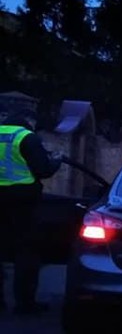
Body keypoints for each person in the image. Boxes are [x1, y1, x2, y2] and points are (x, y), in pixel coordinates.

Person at [0, 108, 62, 315]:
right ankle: (25, 304)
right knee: (26, 251)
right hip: (23, 201)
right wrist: (57, 161)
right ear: (28, 121)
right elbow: (43, 170)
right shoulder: (27, 137)